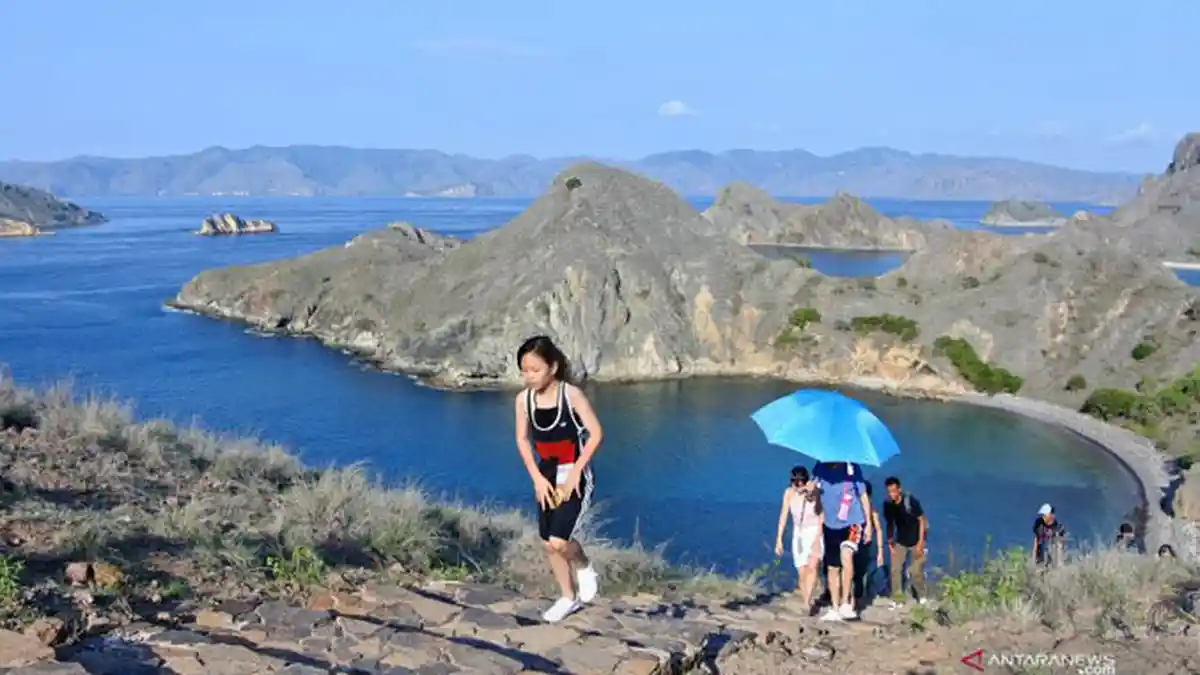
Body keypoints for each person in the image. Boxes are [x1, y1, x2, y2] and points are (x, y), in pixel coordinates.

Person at [514, 336, 603, 623]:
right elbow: (522, 439)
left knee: (560, 541)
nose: (529, 376)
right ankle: (567, 597)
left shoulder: (571, 395)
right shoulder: (523, 400)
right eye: (524, 370)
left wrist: (577, 470)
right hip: (546, 475)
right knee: (547, 543)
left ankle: (584, 566)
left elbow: (596, 434)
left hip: (573, 471)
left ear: (552, 367)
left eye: (535, 370)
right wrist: (537, 479)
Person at [812, 461, 872, 621]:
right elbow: (815, 493)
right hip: (830, 523)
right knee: (832, 567)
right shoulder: (819, 468)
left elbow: (863, 496)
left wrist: (869, 525)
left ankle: (846, 602)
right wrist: (811, 494)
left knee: (846, 555)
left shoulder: (852, 468)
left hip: (852, 522)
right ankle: (835, 607)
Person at [774, 466, 824, 612]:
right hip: (799, 532)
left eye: (801, 482)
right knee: (802, 571)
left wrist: (812, 493)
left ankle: (807, 603)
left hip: (814, 530)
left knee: (812, 566)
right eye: (795, 483)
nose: (798, 486)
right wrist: (779, 538)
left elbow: (821, 514)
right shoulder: (789, 493)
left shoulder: (814, 492)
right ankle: (805, 597)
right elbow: (783, 515)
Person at [882, 476, 928, 605]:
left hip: (915, 540)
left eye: (894, 491)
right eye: (889, 491)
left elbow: (922, 520)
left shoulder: (910, 501)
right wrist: (890, 540)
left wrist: (920, 543)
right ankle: (898, 599)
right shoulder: (888, 505)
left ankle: (922, 595)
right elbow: (889, 523)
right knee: (895, 570)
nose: (891, 494)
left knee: (915, 571)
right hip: (900, 541)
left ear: (899, 489)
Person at [852, 480, 886, 606]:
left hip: (866, 546)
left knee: (863, 572)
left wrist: (880, 552)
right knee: (854, 571)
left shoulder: (872, 510)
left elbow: (878, 530)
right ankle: (855, 597)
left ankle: (861, 597)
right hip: (853, 543)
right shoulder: (852, 509)